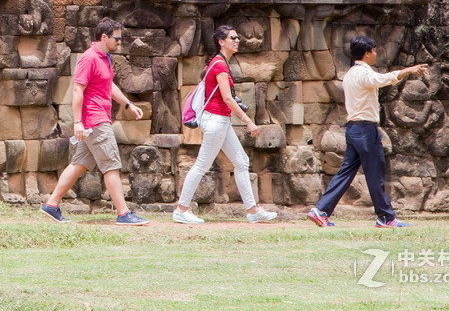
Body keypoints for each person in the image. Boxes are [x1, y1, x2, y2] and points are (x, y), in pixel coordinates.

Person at [308, 36, 427, 228]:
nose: (376, 53)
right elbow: (382, 80)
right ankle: (386, 217)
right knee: (375, 173)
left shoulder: (349, 74)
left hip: (354, 129)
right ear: (367, 53)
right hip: (365, 129)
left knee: (346, 172)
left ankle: (321, 210)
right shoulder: (363, 74)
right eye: (374, 50)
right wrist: (407, 71)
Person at [41, 17, 149, 226]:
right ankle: (123, 213)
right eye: (116, 38)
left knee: (79, 164)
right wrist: (78, 123)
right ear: (104, 37)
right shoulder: (89, 58)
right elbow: (77, 90)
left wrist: (128, 104)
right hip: (95, 120)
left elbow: (108, 86)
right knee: (111, 165)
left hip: (97, 118)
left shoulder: (105, 58)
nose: (119, 42)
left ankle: (51, 205)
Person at [172, 25, 278, 224]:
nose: (237, 40)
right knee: (201, 165)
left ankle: (253, 210)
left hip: (221, 121)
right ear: (221, 42)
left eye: (237, 37)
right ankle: (181, 209)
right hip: (215, 120)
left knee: (241, 162)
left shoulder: (220, 63)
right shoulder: (219, 64)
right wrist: (248, 122)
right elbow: (228, 99)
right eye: (233, 38)